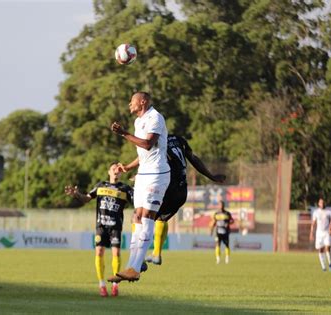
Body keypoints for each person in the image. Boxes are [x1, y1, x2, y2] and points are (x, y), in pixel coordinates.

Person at [108, 91, 170, 282]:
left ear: (142, 102)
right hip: (143, 174)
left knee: (146, 216)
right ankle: (131, 267)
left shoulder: (155, 117)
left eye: (132, 101)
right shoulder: (137, 122)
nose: (129, 104)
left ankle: (135, 267)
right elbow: (144, 154)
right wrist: (128, 166)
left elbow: (148, 144)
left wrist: (124, 134)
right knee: (136, 217)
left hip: (157, 174)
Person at [145, 134, 226, 265]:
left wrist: (137, 173)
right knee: (161, 218)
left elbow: (145, 160)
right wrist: (211, 176)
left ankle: (138, 258)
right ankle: (156, 253)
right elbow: (194, 159)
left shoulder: (157, 142)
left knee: (142, 218)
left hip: (169, 189)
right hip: (182, 192)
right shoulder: (179, 139)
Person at [65, 163, 133, 297]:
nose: (116, 171)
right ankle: (102, 285)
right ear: (109, 171)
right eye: (113, 168)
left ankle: (115, 284)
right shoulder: (101, 186)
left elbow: (138, 201)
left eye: (119, 170)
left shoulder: (125, 189)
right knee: (99, 252)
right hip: (101, 226)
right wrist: (76, 194)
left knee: (116, 254)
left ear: (121, 173)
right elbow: (86, 199)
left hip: (115, 226)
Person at [309, 198, 331, 271]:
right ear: (318, 204)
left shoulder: (328, 212)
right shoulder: (316, 212)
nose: (322, 204)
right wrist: (311, 233)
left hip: (327, 232)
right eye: (320, 203)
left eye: (323, 202)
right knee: (320, 249)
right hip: (319, 233)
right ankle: (323, 267)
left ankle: (330, 263)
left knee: (328, 247)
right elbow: (313, 223)